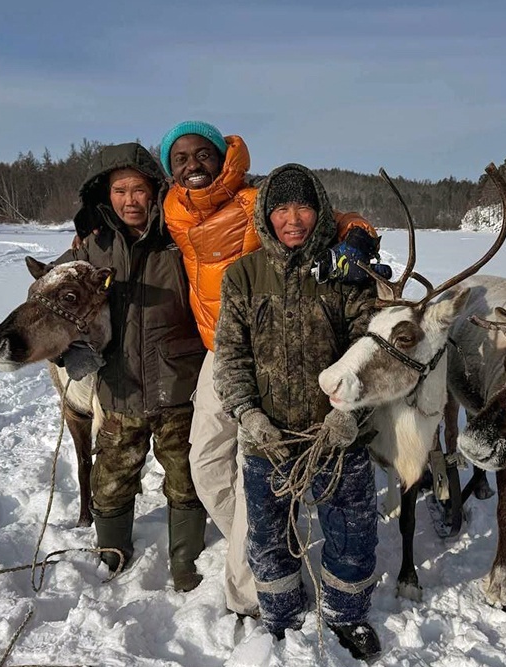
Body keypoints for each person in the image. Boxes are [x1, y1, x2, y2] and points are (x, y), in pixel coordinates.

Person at [158, 121, 385, 617]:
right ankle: (267, 540)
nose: (193, 164)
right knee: (207, 464)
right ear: (169, 168)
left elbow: (340, 218)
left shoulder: (256, 197)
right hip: (226, 349)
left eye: (203, 154)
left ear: (224, 158)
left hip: (285, 341)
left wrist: (360, 242)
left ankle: (252, 595)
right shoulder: (171, 211)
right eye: (180, 158)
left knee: (268, 485)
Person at [213, 164, 381, 660]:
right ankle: (281, 616)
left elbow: (369, 352)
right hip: (268, 438)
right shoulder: (242, 276)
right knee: (268, 537)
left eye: (303, 206)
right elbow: (231, 356)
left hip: (336, 435)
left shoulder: (347, 274)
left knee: (352, 532)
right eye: (281, 207)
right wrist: (248, 415)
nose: (293, 219)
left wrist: (349, 414)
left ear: (320, 210)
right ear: (266, 213)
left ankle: (346, 614)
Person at [56, 142, 207, 592]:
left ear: (155, 191)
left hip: (179, 383)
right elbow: (52, 301)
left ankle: (185, 560)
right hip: (120, 386)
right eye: (119, 190)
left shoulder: (182, 239)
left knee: (185, 478)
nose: (129, 200)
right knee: (113, 476)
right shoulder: (93, 247)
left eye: (138, 189)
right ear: (107, 195)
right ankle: (113, 551)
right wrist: (69, 350)